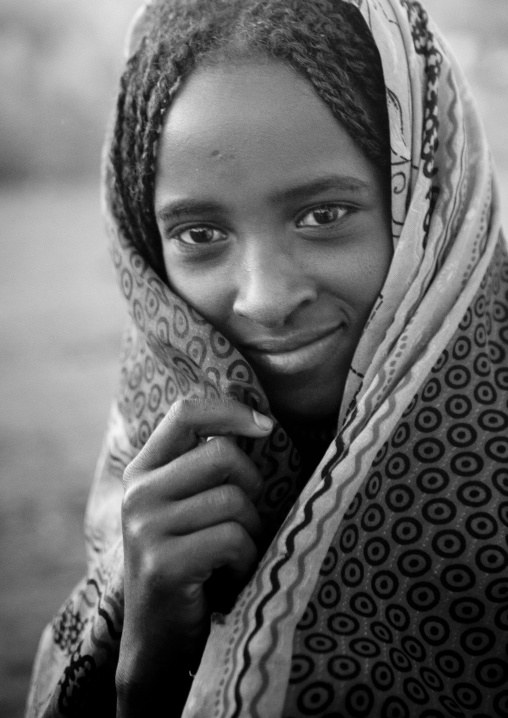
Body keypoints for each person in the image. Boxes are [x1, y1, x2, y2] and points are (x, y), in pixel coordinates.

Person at [27, 0, 508, 716]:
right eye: (199, 233)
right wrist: (145, 668)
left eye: (323, 215)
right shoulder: (148, 508)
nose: (264, 298)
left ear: (427, 211)